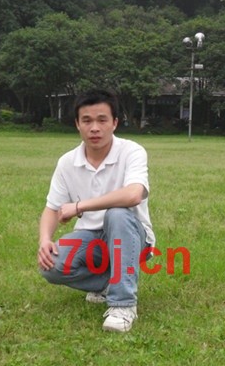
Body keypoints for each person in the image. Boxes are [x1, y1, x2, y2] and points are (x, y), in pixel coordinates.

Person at [37, 90, 155, 333]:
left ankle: (123, 305)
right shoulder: (67, 162)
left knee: (117, 214)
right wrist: (45, 240)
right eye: (87, 121)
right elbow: (52, 207)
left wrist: (80, 206)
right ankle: (108, 284)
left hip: (133, 237)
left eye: (102, 120)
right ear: (77, 124)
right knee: (51, 265)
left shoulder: (132, 151)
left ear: (115, 123)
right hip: (93, 241)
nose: (94, 128)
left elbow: (133, 194)